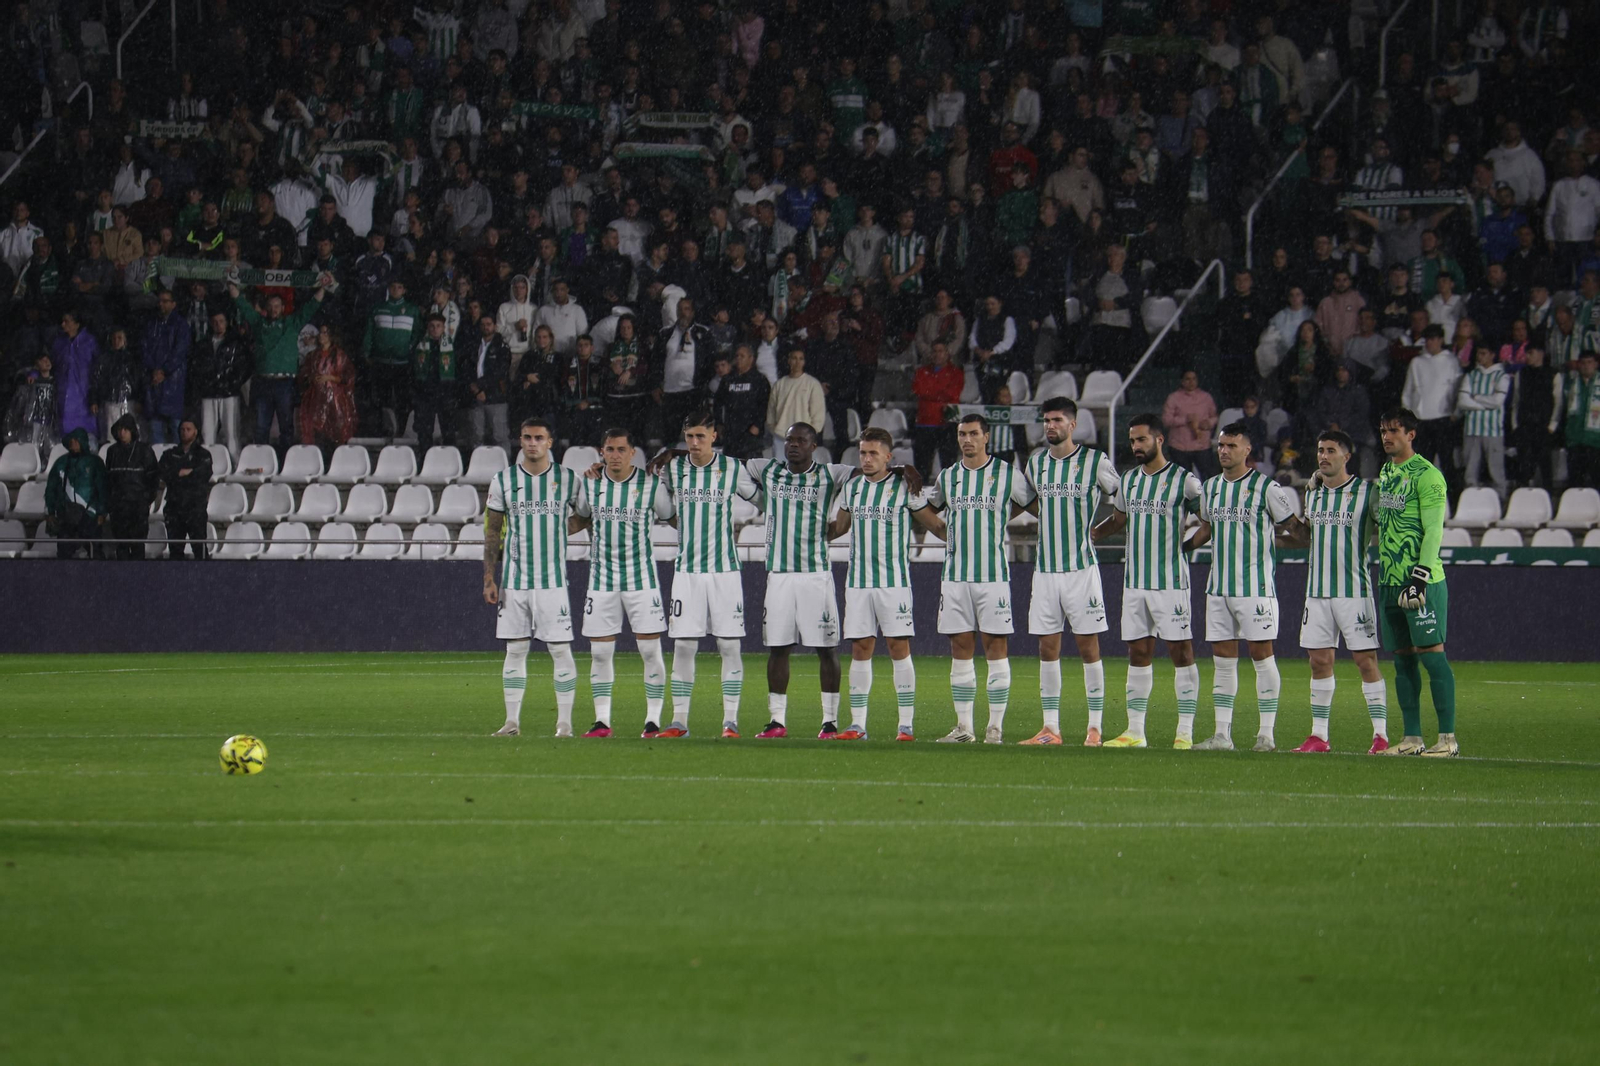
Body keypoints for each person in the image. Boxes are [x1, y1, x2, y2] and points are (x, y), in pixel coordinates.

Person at [911, 414, 1033, 743]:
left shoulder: (1007, 474)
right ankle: (964, 728)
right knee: (960, 647)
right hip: (955, 577)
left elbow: (1034, 505)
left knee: (996, 648)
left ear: (986, 437)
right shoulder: (950, 477)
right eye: (962, 434)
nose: (967, 439)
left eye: (974, 434)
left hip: (993, 576)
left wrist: (1002, 515)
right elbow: (932, 513)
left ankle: (995, 727)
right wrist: (913, 498)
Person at [1090, 416, 1209, 749]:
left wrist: (1186, 548)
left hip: (1171, 583)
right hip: (1135, 583)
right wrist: (1097, 532)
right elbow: (1120, 519)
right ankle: (1135, 731)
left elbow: (1208, 521)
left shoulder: (1184, 481)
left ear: (1159, 440)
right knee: (1138, 652)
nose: (1135, 447)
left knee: (1181, 652)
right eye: (1131, 441)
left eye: (1141, 440)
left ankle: (1184, 732)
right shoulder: (1128, 480)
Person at [647, 409, 761, 738]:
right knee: (684, 645)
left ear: (714, 436)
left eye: (701, 436)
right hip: (687, 571)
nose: (695, 443)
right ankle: (679, 720)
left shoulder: (731, 468)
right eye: (689, 437)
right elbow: (665, 508)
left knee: (729, 646)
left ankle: (730, 721)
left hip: (725, 571)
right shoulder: (674, 468)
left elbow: (763, 500)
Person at [1015, 397, 1121, 746]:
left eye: (1057, 420)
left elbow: (1123, 501)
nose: (1050, 426)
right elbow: (1030, 500)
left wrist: (1100, 530)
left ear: (1072, 425)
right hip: (1045, 571)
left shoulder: (1095, 462)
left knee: (1088, 647)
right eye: (1046, 420)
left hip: (1081, 570)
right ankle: (1051, 728)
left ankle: (1094, 727)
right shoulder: (1037, 463)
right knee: (1047, 648)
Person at [1190, 423, 1297, 753]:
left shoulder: (1267, 488)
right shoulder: (1210, 488)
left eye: (1231, 446)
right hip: (1218, 588)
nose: (1224, 451)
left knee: (1262, 658)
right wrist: (1182, 548)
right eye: (1221, 445)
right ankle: (1222, 735)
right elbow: (1206, 528)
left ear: (1247, 450)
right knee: (1223, 661)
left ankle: (1266, 735)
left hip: (1255, 588)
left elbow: (1293, 528)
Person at [1281, 430, 1389, 754]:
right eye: (1319, 450)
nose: (1323, 456)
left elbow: (1390, 529)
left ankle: (1381, 736)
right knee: (1318, 661)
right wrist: (1281, 527)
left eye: (1330, 450)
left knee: (1365, 661)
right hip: (1316, 592)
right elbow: (1308, 536)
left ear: (1347, 456)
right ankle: (1318, 736)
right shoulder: (1312, 493)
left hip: (1354, 590)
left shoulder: (1368, 492)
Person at [745, 424, 856, 739]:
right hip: (779, 575)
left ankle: (830, 722)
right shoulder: (768, 470)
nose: (792, 445)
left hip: (815, 575)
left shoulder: (831, 474)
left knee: (826, 649)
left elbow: (870, 470)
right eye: (789, 440)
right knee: (778, 648)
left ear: (814, 445)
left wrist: (904, 469)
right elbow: (727, 466)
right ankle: (777, 721)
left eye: (800, 440)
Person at [483, 418, 591, 738]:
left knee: (560, 651)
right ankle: (512, 721)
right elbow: (492, 532)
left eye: (539, 438)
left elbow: (585, 515)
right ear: (520, 441)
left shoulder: (567, 479)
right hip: (514, 581)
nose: (532, 443)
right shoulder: (503, 480)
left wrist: (560, 529)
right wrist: (490, 577)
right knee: (515, 651)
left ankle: (564, 723)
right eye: (527, 437)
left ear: (549, 442)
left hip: (552, 581)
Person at [574, 428, 673, 737]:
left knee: (650, 651)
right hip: (602, 580)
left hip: (641, 580)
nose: (614, 455)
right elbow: (581, 517)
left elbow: (670, 516)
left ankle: (653, 720)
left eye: (620, 449)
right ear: (601, 452)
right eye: (609, 449)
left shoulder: (651, 485)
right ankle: (602, 721)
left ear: (633, 453)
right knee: (600, 653)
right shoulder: (590, 484)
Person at [828, 427, 924, 741]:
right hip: (857, 583)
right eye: (863, 453)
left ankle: (905, 725)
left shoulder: (903, 485)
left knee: (899, 648)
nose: (867, 459)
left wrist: (955, 536)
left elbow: (932, 521)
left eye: (873, 453)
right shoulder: (853, 488)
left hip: (893, 582)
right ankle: (858, 724)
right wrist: (804, 531)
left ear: (888, 456)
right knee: (860, 649)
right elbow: (839, 528)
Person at [1375, 407, 1459, 757]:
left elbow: (1434, 529)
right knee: (1403, 660)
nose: (1387, 436)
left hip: (1420, 582)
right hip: (1390, 580)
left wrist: (1420, 578)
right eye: (1383, 430)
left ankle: (1448, 739)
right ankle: (1411, 739)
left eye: (1394, 430)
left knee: (1432, 657)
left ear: (1412, 434)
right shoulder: (1386, 472)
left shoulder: (1428, 475)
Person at [230, 274, 331, 450]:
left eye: (277, 306)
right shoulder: (258, 323)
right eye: (270, 306)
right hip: (263, 381)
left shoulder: (292, 323)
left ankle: (285, 464)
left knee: (286, 427)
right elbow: (241, 303)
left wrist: (323, 286)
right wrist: (230, 282)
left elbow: (312, 306)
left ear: (283, 308)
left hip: (285, 383)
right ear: (266, 308)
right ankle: (262, 463)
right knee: (261, 428)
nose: (274, 309)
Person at [363, 278, 422, 440]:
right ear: (388, 288)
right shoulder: (378, 308)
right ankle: (385, 430)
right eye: (393, 287)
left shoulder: (412, 309)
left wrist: (409, 351)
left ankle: (401, 431)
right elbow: (369, 333)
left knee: (403, 400)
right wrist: (366, 352)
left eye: (400, 287)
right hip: (381, 362)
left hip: (403, 364)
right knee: (381, 399)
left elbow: (417, 335)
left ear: (404, 290)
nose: (396, 290)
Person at [189, 311, 252, 461]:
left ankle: (236, 465)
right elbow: (196, 368)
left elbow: (244, 367)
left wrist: (231, 383)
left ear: (227, 322)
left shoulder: (236, 344)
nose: (218, 325)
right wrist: (206, 384)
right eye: (215, 321)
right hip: (208, 394)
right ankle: (207, 465)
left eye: (221, 321)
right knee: (207, 433)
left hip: (230, 394)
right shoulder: (203, 344)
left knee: (231, 432)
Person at [1456, 341, 1510, 497]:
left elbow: (1497, 401)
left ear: (1492, 355)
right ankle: (1469, 499)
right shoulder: (1471, 375)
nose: (1480, 357)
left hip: (1492, 430)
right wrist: (1484, 405)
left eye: (1484, 353)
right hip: (1472, 429)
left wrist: (1476, 397)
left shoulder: (1502, 375)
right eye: (1479, 353)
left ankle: (1500, 500)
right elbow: (1462, 401)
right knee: (1470, 470)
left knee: (1496, 470)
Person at [103, 414, 160, 560]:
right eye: (120, 430)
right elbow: (108, 480)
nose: (122, 433)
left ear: (132, 431)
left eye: (126, 430)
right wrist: (111, 502)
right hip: (118, 507)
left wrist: (145, 499)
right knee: (121, 547)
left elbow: (154, 478)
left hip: (137, 507)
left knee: (137, 547)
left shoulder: (144, 450)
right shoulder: (112, 451)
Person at [44, 429, 108, 559]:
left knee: (95, 554)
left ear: (83, 442)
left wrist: (101, 512)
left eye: (76, 441)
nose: (73, 444)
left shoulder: (95, 462)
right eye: (71, 441)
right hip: (66, 516)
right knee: (64, 554)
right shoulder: (61, 462)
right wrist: (51, 512)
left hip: (90, 515)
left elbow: (103, 488)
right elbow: (51, 488)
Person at [157, 416, 213, 560]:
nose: (184, 432)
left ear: (195, 432)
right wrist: (183, 473)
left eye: (188, 429)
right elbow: (164, 473)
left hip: (195, 508)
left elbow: (203, 475)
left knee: (200, 550)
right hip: (174, 508)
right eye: (182, 429)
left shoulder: (203, 454)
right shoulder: (170, 454)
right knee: (175, 551)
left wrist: (181, 474)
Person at [142, 290, 191, 444]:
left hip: (172, 382)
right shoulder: (151, 324)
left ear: (173, 304)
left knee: (176, 429)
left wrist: (164, 371)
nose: (161, 304)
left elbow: (180, 351)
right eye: (160, 300)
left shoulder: (181, 324)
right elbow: (144, 349)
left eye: (165, 301)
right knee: (156, 429)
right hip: (154, 381)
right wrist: (154, 370)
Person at [298, 325, 357, 449]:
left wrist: (330, 378)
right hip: (316, 399)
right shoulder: (313, 355)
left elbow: (348, 376)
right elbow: (304, 374)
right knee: (316, 432)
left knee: (336, 431)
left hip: (335, 401)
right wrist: (312, 378)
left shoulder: (339, 356)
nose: (321, 335)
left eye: (325, 332)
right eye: (320, 332)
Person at [710, 344, 770, 460]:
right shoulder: (728, 379)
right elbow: (718, 402)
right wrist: (719, 423)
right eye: (737, 356)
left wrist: (758, 424)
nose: (738, 359)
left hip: (751, 432)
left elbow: (765, 404)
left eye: (742, 356)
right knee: (731, 465)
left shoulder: (759, 379)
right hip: (731, 431)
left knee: (751, 466)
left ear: (751, 358)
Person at [911, 340, 962, 476]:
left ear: (947, 353)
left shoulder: (956, 373)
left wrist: (931, 393)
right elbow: (919, 390)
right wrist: (940, 393)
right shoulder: (921, 372)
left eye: (941, 351)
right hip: (924, 423)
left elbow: (953, 393)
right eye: (935, 351)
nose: (937, 354)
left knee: (949, 468)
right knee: (922, 469)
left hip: (947, 424)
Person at [463, 313, 511, 455]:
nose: (486, 327)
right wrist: (475, 389)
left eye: (489, 324)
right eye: (483, 324)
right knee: (476, 436)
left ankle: (505, 467)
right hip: (475, 396)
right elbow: (466, 368)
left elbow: (499, 372)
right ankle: (478, 467)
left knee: (500, 435)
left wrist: (482, 388)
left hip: (496, 396)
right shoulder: (473, 345)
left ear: (495, 326)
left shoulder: (502, 346)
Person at [411, 313, 458, 452]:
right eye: (432, 326)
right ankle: (425, 462)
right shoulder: (420, 346)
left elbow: (458, 371)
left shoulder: (451, 345)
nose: (435, 329)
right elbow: (412, 371)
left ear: (443, 328)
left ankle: (450, 462)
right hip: (425, 394)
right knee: (424, 432)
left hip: (445, 393)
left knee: (448, 431)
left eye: (438, 326)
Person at [1161, 369, 1219, 478]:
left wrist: (1209, 423)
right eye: (1188, 379)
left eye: (1194, 379)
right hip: (1180, 446)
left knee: (1208, 477)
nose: (1191, 382)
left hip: (1202, 445)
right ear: (1182, 381)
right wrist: (1185, 420)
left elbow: (1214, 416)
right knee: (1183, 481)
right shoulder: (1173, 398)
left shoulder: (1206, 397)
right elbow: (1166, 420)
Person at [765, 348, 825, 441]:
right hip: (780, 437)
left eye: (801, 359)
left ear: (804, 362)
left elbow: (818, 414)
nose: (797, 362)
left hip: (804, 438)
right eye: (794, 358)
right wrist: (774, 430)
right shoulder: (779, 384)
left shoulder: (812, 384)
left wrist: (810, 433)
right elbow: (771, 412)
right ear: (789, 361)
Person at [1561, 351, 1600, 488]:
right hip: (1575, 440)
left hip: (1596, 441)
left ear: (1596, 364)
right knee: (1576, 483)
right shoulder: (1571, 383)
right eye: (1583, 363)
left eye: (1590, 362)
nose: (1586, 366)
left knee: (1597, 482)